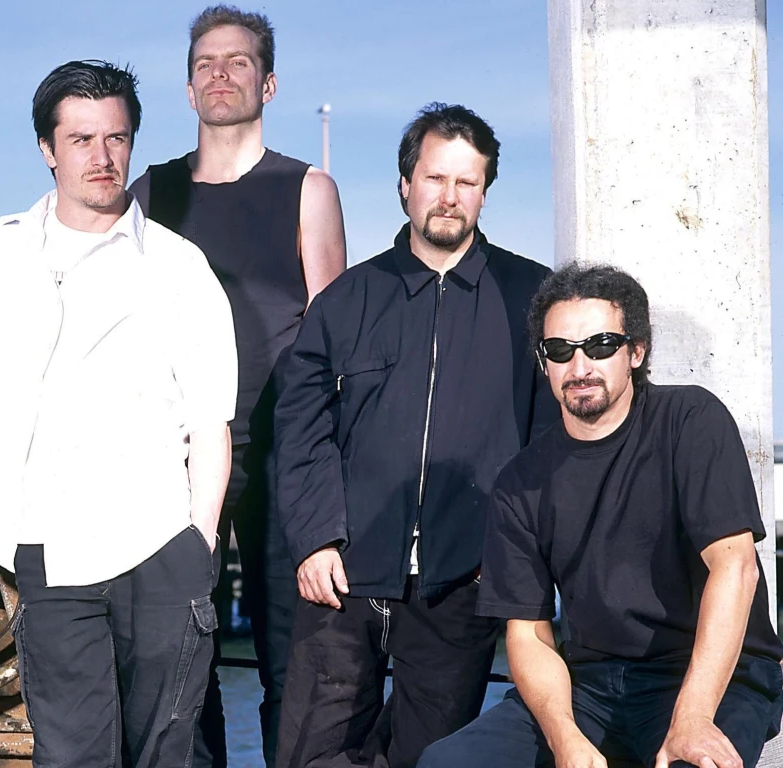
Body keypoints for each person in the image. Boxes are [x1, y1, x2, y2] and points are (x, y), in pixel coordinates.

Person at [0, 60, 237, 768]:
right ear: (47, 150)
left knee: (165, 756)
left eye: (116, 138)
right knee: (72, 757)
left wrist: (198, 544)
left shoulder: (180, 267)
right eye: (81, 139)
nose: (102, 156)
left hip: (157, 547)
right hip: (47, 551)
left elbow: (212, 423)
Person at [274, 103, 555, 768]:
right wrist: (315, 538)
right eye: (435, 178)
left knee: (431, 758)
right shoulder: (347, 300)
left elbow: (548, 444)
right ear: (405, 184)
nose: (449, 196)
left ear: (484, 191)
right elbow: (301, 427)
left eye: (466, 182)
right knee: (312, 754)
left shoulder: (532, 299)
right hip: (343, 574)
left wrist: (508, 549)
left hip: (463, 580)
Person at [419, 265, 783, 768]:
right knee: (446, 762)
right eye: (560, 350)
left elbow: (735, 568)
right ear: (544, 362)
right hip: (589, 684)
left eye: (601, 345)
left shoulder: (690, 420)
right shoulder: (519, 482)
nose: (580, 365)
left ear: (636, 352)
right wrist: (565, 738)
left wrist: (693, 718)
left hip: (709, 675)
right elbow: (528, 633)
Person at [129, 7, 347, 765]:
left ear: (268, 83)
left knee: (294, 657)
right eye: (206, 64)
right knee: (181, 654)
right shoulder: (150, 194)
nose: (220, 74)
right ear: (189, 89)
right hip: (180, 454)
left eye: (238, 61)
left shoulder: (307, 188)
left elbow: (332, 334)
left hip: (285, 451)